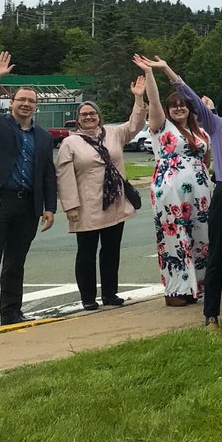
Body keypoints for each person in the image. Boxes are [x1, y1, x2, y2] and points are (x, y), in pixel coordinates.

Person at [139, 56, 222, 330]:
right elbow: (188, 94)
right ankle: (211, 315)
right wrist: (165, 69)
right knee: (217, 254)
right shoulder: (218, 125)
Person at [0, 52, 57, 333]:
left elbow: (47, 174)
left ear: (36, 107)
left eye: (31, 101)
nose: (26, 105)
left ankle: (11, 313)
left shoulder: (43, 136)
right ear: (12, 103)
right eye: (21, 100)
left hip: (27, 206)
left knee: (15, 263)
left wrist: (49, 208)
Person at [56, 80, 147, 310]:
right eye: (84, 114)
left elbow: (136, 124)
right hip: (87, 206)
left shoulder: (114, 134)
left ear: (99, 115)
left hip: (114, 203)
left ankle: (110, 293)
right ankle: (88, 297)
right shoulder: (70, 143)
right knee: (86, 253)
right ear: (78, 119)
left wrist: (138, 98)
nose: (88, 117)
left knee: (111, 251)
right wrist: (71, 207)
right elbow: (64, 177)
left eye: (92, 113)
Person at [134, 55, 212, 307]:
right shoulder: (161, 126)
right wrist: (149, 74)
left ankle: (199, 283)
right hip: (171, 191)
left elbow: (207, 158)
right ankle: (178, 289)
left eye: (183, 105)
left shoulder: (199, 131)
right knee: (175, 236)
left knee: (201, 235)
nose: (179, 108)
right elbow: (154, 101)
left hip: (200, 191)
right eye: (174, 105)